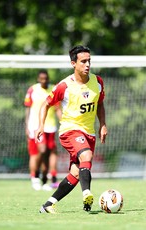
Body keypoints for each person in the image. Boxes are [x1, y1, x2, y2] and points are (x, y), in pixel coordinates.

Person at [36, 45, 108, 213]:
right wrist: (41, 125)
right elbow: (46, 104)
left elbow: (100, 104)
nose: (88, 65)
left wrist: (103, 124)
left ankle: (47, 205)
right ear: (73, 63)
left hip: (89, 132)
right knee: (86, 155)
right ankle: (87, 194)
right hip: (70, 130)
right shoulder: (64, 86)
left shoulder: (97, 82)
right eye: (83, 61)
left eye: (89, 61)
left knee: (75, 173)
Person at [24, 70, 62, 191]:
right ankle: (34, 177)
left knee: (50, 152)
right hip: (36, 126)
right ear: (38, 79)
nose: (44, 81)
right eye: (41, 78)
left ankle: (46, 180)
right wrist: (27, 125)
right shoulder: (32, 90)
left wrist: (63, 122)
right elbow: (28, 109)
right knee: (40, 150)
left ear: (48, 78)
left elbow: (57, 109)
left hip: (50, 126)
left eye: (46, 78)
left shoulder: (53, 89)